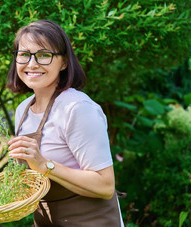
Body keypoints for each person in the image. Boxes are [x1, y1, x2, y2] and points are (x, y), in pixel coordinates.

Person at [7, 20, 124, 227]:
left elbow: (105, 185)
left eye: (44, 55)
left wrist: (45, 165)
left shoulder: (77, 108)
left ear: (64, 62)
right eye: (24, 54)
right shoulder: (23, 110)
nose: (32, 64)